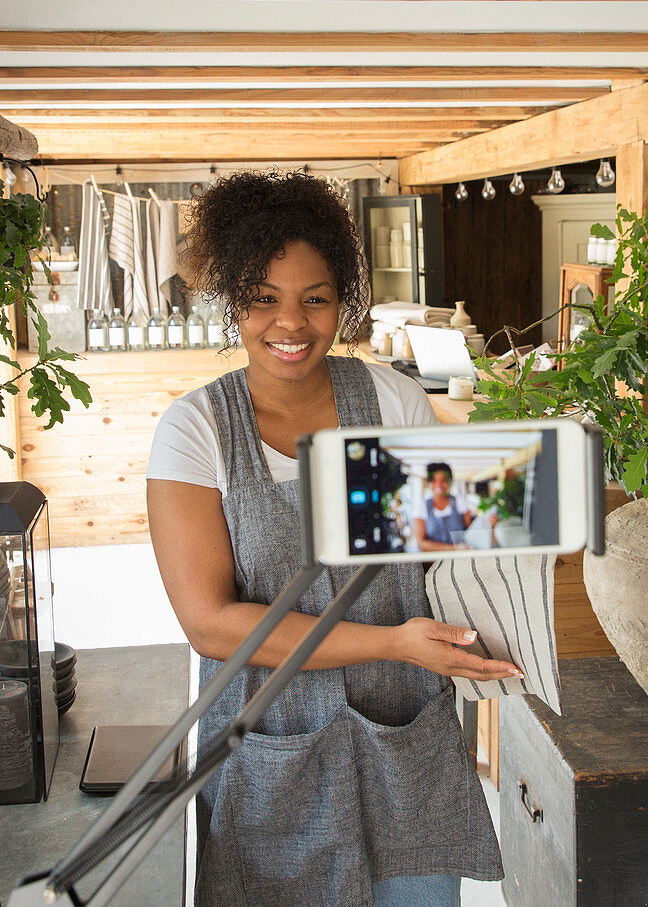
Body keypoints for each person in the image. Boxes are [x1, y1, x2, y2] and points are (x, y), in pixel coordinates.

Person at [147, 171, 517, 907]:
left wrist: (505, 517)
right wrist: (390, 642)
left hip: (400, 728)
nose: (292, 323)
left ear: (341, 301)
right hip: (270, 747)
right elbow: (212, 626)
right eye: (264, 299)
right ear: (233, 304)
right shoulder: (195, 430)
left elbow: (440, 546)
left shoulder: (388, 398)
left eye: (315, 298)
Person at [414, 463, 474, 552]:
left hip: (460, 560)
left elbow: (470, 532)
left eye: (443, 480)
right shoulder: (422, 505)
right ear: (428, 482)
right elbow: (421, 543)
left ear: (450, 481)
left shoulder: (459, 501)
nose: (439, 484)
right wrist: (454, 548)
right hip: (432, 562)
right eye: (433, 480)